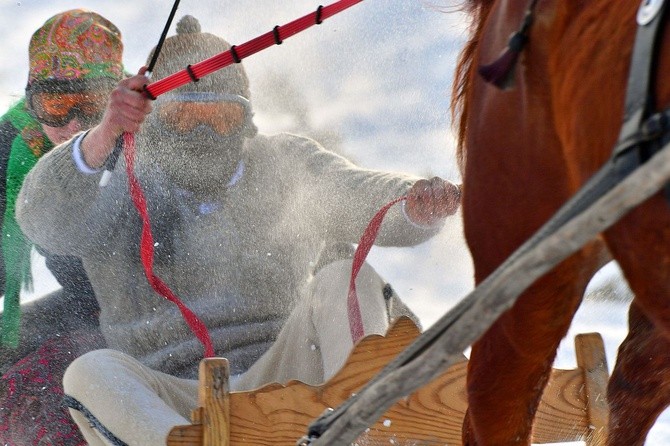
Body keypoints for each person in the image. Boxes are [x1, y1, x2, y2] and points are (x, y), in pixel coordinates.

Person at [16, 15, 462, 445]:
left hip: (288, 375)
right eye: (183, 120)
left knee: (345, 277)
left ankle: (364, 429)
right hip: (173, 396)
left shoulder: (283, 164)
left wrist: (416, 203)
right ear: (152, 122)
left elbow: (364, 195)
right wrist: (104, 132)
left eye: (220, 118)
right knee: (89, 372)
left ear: (245, 120)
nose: (202, 133)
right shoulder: (113, 179)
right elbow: (40, 217)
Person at [0, 9, 124, 445]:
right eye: (55, 105)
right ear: (34, 103)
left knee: (59, 390)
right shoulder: (17, 145)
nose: (71, 125)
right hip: (84, 304)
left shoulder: (154, 128)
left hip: (155, 310)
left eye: (90, 106)